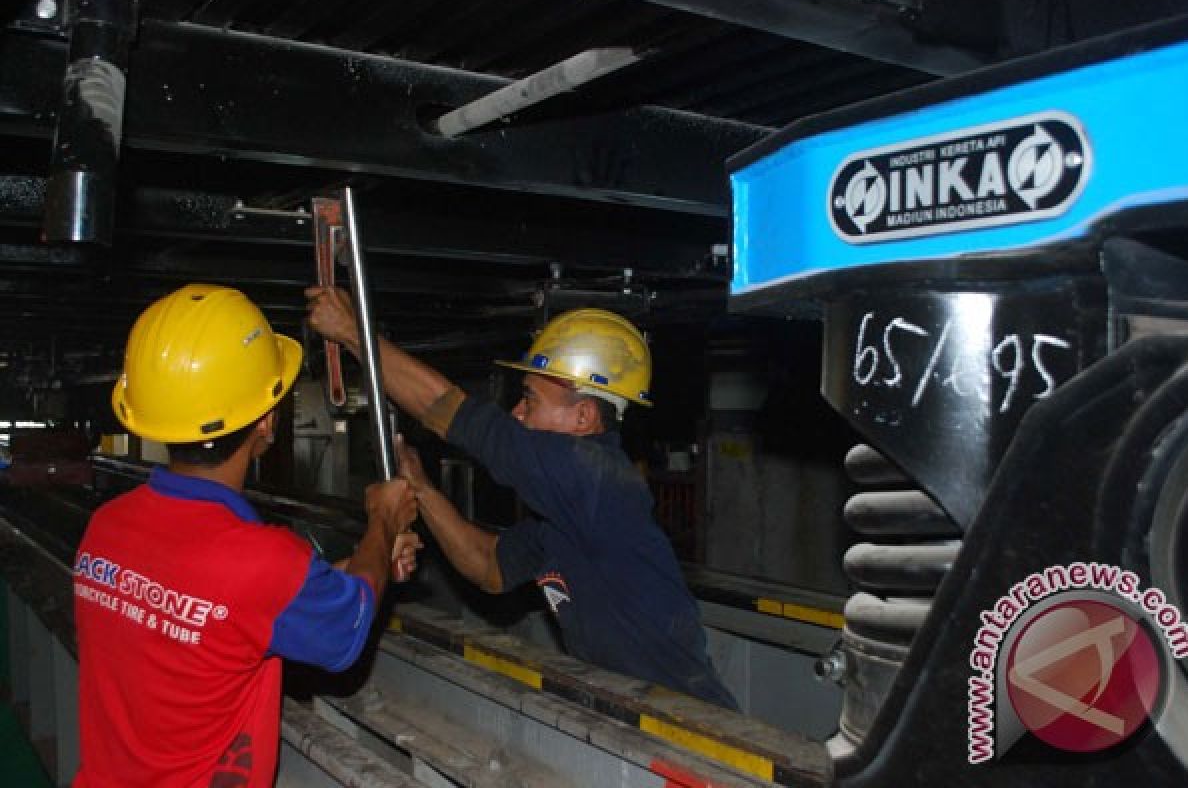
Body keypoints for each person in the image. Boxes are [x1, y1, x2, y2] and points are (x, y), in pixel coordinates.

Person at [306, 287, 737, 709]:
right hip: (642, 717)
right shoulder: (569, 514)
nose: (517, 412)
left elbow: (454, 414)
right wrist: (421, 489)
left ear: (584, 417)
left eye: (530, 399)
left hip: (694, 731)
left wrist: (353, 335)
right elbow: (488, 565)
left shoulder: (595, 479)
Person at [74, 284, 421, 788]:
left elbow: (232, 606)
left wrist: (364, 563)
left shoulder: (107, 526)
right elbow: (348, 626)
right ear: (265, 422)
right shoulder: (262, 560)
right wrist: (383, 522)